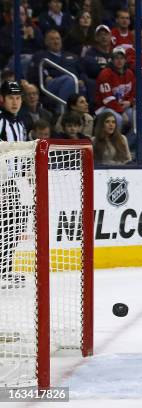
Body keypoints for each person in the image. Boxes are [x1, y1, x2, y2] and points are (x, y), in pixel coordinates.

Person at [0, 81, 27, 288]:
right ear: (2, 99)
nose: (15, 102)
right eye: (11, 97)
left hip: (13, 182)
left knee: (15, 224)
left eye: (18, 98)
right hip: (2, 180)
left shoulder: (20, 124)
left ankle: (6, 268)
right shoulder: (1, 122)